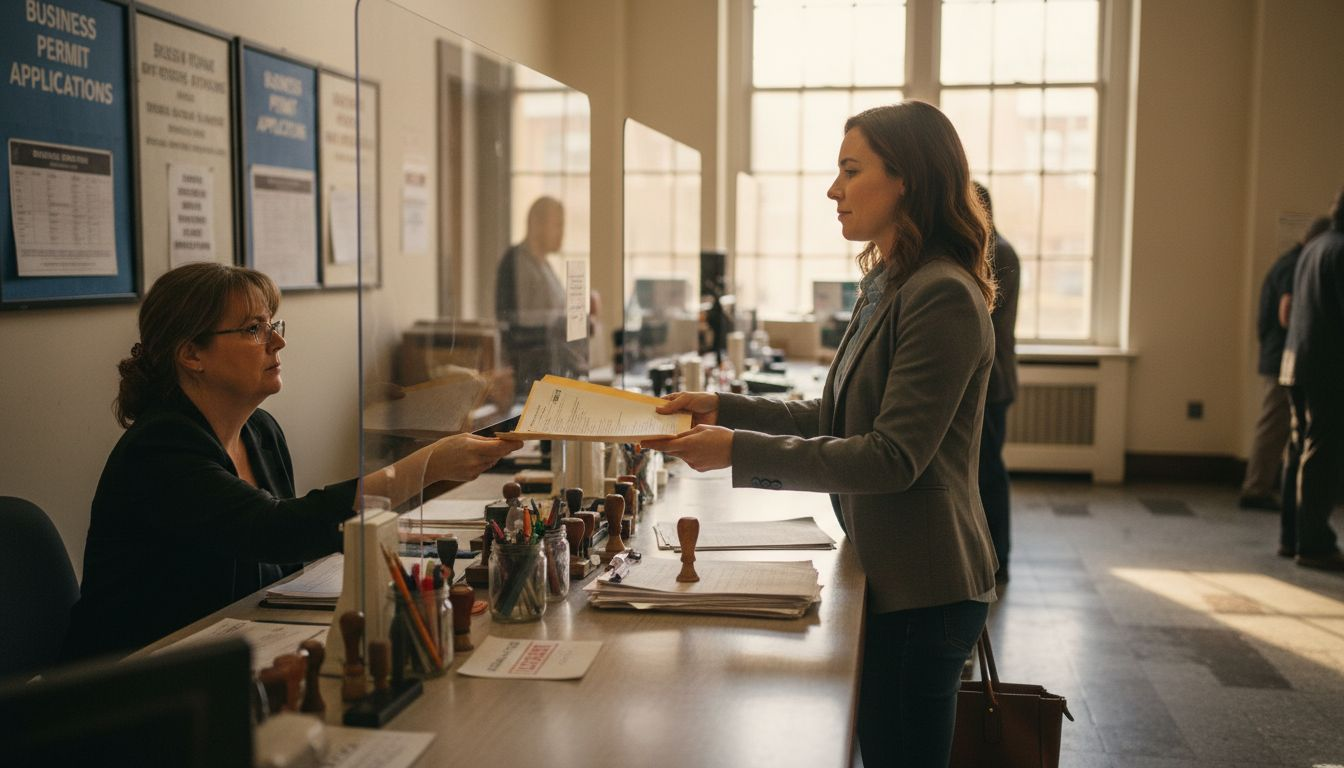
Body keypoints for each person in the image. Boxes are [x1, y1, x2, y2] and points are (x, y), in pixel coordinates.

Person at [645, 101, 999, 766]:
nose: (833, 190)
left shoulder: (940, 295)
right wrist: (722, 409)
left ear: (907, 181)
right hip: (889, 570)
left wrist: (736, 454)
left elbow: (893, 458)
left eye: (849, 170)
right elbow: (833, 418)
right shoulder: (886, 283)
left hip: (927, 588)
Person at [62, 263, 521, 661]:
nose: (277, 343)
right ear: (191, 354)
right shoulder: (159, 448)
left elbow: (285, 570)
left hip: (234, 647)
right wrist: (425, 466)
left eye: (274, 325)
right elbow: (276, 531)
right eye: (253, 330)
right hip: (138, 680)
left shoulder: (261, 431)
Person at [1241, 216, 1331, 510]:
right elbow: (1286, 311)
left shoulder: (1288, 261)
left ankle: (1261, 485)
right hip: (1285, 356)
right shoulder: (1295, 265)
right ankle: (1256, 488)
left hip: (1279, 355)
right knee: (1274, 425)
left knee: (1277, 425)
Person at [1279, 188, 1344, 571]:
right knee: (1322, 453)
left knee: (1298, 449)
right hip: (1328, 368)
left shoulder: (1315, 248)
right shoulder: (1340, 251)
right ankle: (1315, 541)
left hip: (1297, 364)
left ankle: (1292, 537)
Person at [973, 181, 1019, 584]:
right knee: (988, 468)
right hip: (998, 379)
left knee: (988, 471)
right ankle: (997, 554)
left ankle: (998, 557)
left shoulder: (993, 251)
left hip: (991, 382)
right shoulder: (1001, 247)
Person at [495, 196, 584, 396]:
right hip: (529, 377)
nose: (562, 233)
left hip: (554, 369)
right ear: (536, 224)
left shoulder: (544, 265)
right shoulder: (515, 262)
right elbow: (516, 321)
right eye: (558, 225)